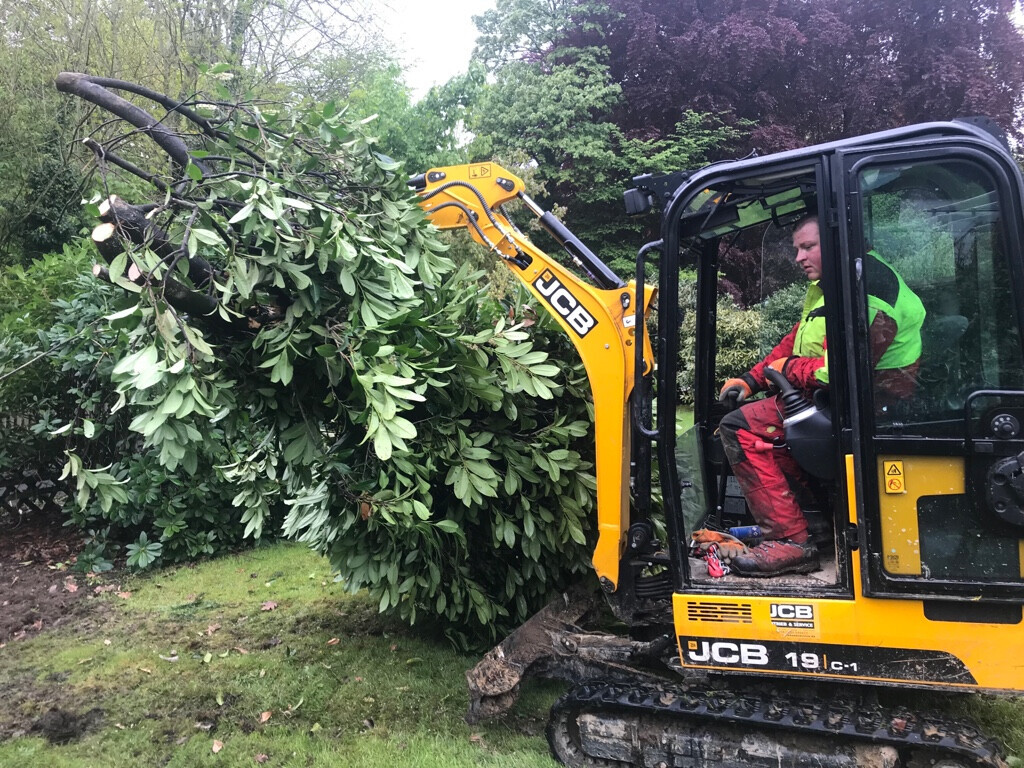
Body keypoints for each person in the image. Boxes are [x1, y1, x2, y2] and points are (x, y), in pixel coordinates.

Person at [717, 216, 925, 576]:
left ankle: (790, 540)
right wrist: (753, 379)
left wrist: (787, 369)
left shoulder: (870, 291)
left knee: (740, 428)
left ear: (836, 240)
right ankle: (816, 526)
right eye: (797, 248)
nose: (799, 257)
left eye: (808, 247)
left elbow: (839, 372)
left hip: (873, 407)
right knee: (757, 423)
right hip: (842, 399)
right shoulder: (840, 281)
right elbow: (800, 338)